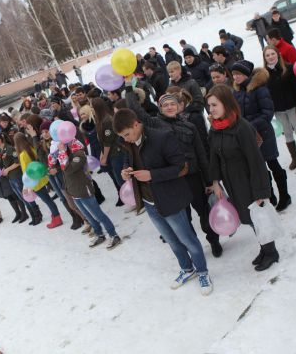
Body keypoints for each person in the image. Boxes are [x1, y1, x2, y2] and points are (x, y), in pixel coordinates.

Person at [113, 109, 213, 295]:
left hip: (170, 200)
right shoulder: (128, 142)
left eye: (127, 134)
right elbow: (129, 159)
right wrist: (125, 170)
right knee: (171, 241)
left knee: (187, 240)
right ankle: (187, 268)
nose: (125, 139)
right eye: (122, 136)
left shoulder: (162, 137)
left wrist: (151, 175)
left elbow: (181, 167)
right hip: (149, 202)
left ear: (136, 124)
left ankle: (202, 272)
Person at [124, 86, 222, 257]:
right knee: (185, 218)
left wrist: (209, 181)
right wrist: (128, 87)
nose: (169, 107)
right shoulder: (155, 124)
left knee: (204, 212)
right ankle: (194, 248)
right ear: (160, 108)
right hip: (174, 180)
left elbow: (201, 155)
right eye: (165, 105)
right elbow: (136, 110)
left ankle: (213, 240)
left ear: (179, 106)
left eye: (172, 104)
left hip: (193, 178)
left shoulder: (190, 126)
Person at [206, 84, 280, 271]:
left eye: (214, 105)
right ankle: (264, 248)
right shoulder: (215, 128)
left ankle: (271, 252)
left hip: (248, 181)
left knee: (258, 217)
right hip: (232, 183)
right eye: (209, 106)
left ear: (226, 104)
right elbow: (213, 156)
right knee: (250, 217)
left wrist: (261, 191)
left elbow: (256, 161)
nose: (211, 109)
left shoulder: (242, 128)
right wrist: (215, 182)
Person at [231, 60, 291, 212]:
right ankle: (270, 195)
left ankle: (285, 195)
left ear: (245, 74)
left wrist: (249, 126)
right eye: (233, 75)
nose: (235, 77)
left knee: (273, 164)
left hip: (263, 134)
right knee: (260, 169)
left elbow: (267, 113)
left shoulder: (260, 89)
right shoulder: (237, 92)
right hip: (248, 137)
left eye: (238, 74)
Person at [51, 136, 121, 249]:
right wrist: (56, 168)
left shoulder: (79, 154)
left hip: (83, 189)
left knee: (98, 214)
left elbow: (68, 169)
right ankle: (99, 234)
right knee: (88, 215)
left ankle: (114, 235)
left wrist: (62, 152)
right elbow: (64, 167)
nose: (60, 145)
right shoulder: (67, 154)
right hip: (74, 190)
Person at [25, 115, 86, 230]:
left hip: (62, 173)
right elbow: (41, 157)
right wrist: (34, 137)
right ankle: (78, 218)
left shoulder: (55, 142)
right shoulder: (42, 141)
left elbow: (61, 159)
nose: (28, 129)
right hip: (52, 174)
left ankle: (83, 219)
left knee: (71, 198)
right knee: (63, 198)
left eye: (29, 126)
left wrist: (34, 137)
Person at [263, 46, 296, 170]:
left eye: (272, 54)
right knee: (287, 132)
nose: (270, 57)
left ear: (277, 54)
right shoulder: (264, 74)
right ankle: (295, 158)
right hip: (278, 109)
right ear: (264, 58)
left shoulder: (288, 68)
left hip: (292, 106)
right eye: (267, 55)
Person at [14, 132, 64, 229]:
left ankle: (57, 217)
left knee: (47, 200)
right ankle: (55, 216)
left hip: (34, 182)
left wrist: (27, 187)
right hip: (41, 177)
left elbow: (26, 172)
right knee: (48, 199)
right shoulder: (32, 148)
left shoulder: (22, 155)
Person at [0, 133, 41, 224]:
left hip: (17, 176)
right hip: (10, 177)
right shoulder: (2, 150)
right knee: (21, 198)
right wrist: (4, 169)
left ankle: (37, 214)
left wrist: (8, 169)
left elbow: (18, 162)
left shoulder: (9, 149)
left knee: (25, 196)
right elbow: (7, 163)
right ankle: (33, 215)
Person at [90, 98, 126, 204]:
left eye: (92, 107)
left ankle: (132, 198)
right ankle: (123, 196)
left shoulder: (107, 120)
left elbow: (108, 142)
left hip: (116, 152)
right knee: (115, 176)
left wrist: (104, 156)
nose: (91, 109)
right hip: (110, 153)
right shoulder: (100, 120)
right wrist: (102, 154)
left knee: (120, 178)